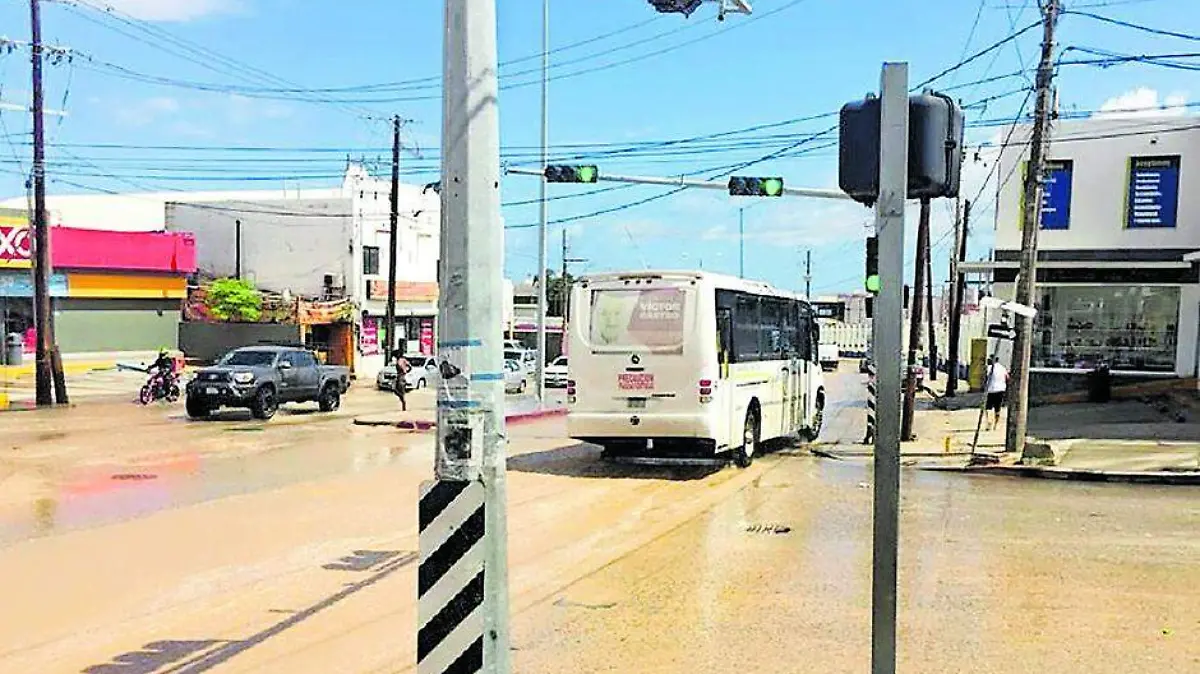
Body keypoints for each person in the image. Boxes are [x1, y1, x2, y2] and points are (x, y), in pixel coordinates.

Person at [984, 355, 1010, 431]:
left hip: (991, 390)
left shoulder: (989, 368)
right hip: (1001, 390)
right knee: (997, 408)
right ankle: (996, 424)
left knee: (988, 408)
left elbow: (985, 377)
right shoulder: (1003, 368)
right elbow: (1007, 377)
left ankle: (989, 422)